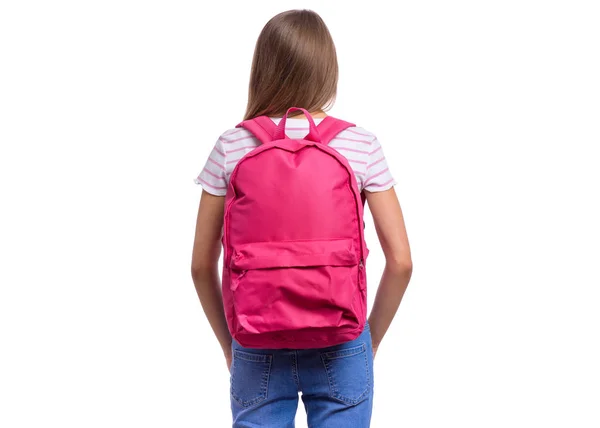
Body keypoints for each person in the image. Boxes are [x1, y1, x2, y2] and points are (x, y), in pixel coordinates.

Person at [191, 9, 412, 428]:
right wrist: (368, 340)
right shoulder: (360, 144)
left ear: (263, 68)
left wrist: (229, 344)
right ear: (327, 68)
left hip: (255, 341)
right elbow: (401, 261)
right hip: (341, 337)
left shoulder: (231, 144)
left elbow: (201, 264)